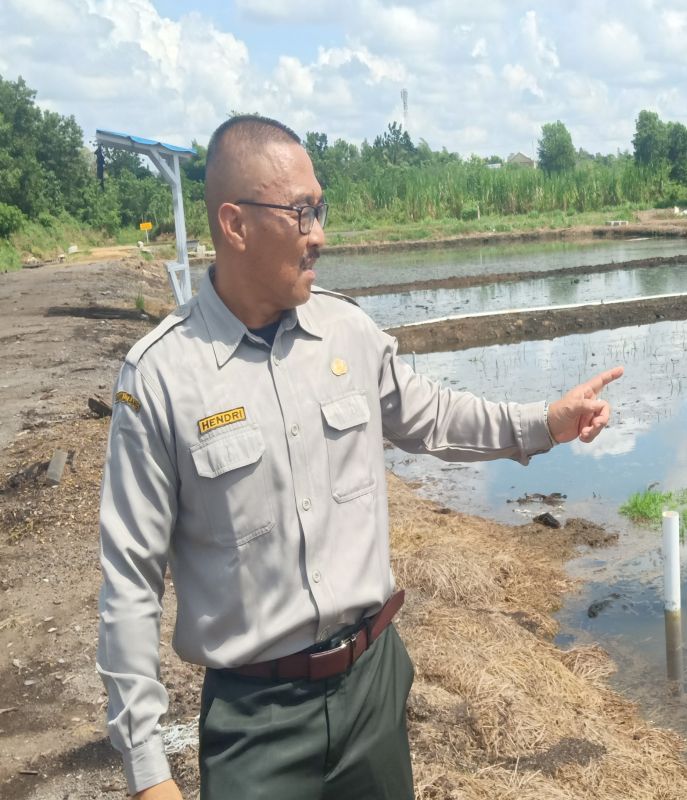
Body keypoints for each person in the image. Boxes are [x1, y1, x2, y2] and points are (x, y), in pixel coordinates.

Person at [96, 115, 623, 800]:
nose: (321, 234)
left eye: (321, 209)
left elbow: (432, 416)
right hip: (256, 722)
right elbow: (130, 581)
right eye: (302, 213)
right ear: (235, 224)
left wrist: (543, 424)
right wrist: (147, 773)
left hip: (371, 689)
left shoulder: (348, 331)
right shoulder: (162, 377)